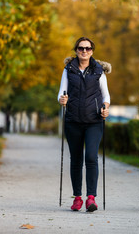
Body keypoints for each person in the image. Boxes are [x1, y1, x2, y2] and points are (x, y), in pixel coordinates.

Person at [57, 37, 111, 212]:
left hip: (94, 121)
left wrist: (105, 109)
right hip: (73, 121)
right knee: (76, 160)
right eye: (81, 48)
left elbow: (106, 96)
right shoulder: (68, 70)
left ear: (92, 51)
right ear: (76, 50)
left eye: (88, 48)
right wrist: (62, 100)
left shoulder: (98, 71)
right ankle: (77, 198)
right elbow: (61, 94)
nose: (84, 51)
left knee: (91, 157)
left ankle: (91, 198)